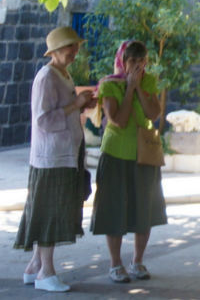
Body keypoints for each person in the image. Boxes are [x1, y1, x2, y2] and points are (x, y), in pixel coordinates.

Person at [15, 27, 98, 292]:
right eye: (68, 48)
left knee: (49, 211)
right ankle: (46, 272)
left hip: (64, 155)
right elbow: (43, 119)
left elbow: (61, 111)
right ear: (54, 52)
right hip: (51, 158)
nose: (74, 52)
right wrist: (76, 105)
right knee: (49, 213)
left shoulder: (62, 74)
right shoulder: (46, 77)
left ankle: (34, 267)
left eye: (75, 47)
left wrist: (81, 104)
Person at [90, 40, 167, 284]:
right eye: (131, 60)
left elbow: (153, 114)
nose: (136, 66)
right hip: (116, 154)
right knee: (115, 210)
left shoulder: (150, 82)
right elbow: (119, 120)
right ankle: (115, 264)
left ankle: (137, 261)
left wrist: (138, 88)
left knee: (144, 209)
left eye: (141, 61)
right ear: (123, 61)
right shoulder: (109, 85)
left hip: (144, 155)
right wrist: (129, 89)